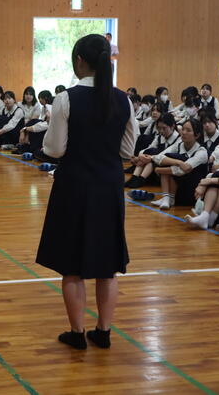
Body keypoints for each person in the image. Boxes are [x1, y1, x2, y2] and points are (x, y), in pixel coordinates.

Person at [36, 34, 138, 351]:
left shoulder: (66, 99)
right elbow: (128, 150)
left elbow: (54, 149)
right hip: (109, 186)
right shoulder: (123, 100)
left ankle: (77, 333)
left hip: (74, 185)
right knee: (107, 265)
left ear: (79, 60)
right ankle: (103, 332)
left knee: (72, 264)